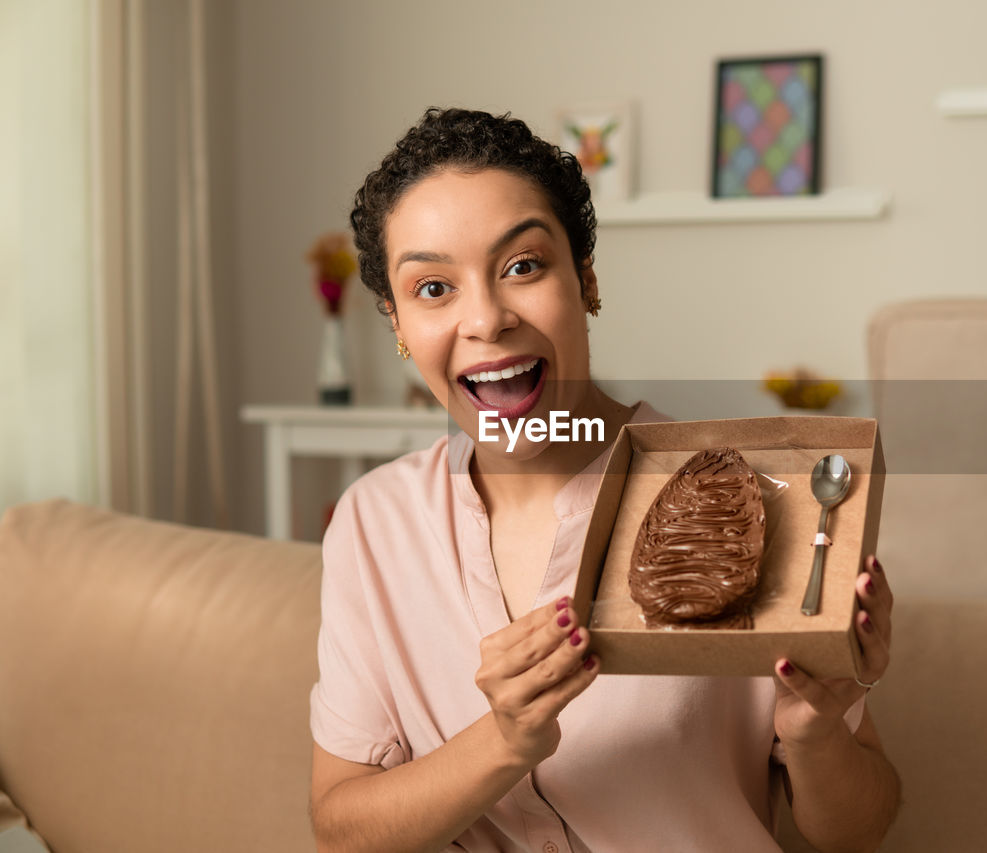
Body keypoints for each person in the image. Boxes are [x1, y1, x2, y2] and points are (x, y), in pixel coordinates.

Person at [308, 107, 900, 852]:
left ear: (585, 278)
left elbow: (862, 828)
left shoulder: (747, 492)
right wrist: (502, 742)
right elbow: (341, 829)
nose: (487, 319)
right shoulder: (373, 522)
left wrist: (814, 734)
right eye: (433, 289)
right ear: (396, 322)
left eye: (522, 266)